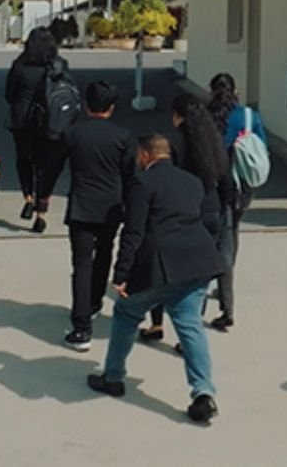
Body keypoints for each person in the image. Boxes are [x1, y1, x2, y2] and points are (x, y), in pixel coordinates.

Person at [88, 134, 224, 424]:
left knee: (126, 313)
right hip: (197, 261)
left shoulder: (142, 183)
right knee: (190, 326)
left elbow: (133, 231)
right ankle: (203, 393)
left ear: (145, 155)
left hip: (160, 265)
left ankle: (113, 377)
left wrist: (121, 273)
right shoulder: (192, 181)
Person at [140, 94, 231, 343]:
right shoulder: (214, 140)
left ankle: (156, 323)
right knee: (199, 275)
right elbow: (225, 179)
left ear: (177, 115)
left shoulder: (172, 143)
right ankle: (190, 332)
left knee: (162, 269)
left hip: (180, 211)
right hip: (210, 210)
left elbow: (165, 178)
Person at [62, 81, 134, 352]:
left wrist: (41, 196)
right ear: (112, 107)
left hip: (81, 206)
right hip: (110, 207)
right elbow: (131, 174)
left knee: (81, 264)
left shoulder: (73, 133)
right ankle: (94, 302)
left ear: (85, 104)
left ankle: (81, 327)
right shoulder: (123, 136)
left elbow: (54, 163)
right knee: (104, 254)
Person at [207, 72, 267, 331]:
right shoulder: (249, 116)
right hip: (244, 185)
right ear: (236, 92)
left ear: (211, 91)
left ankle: (226, 302)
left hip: (217, 184)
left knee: (220, 239)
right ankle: (224, 285)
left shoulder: (207, 116)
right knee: (231, 234)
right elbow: (261, 147)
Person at [4, 27, 72, 233]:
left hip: (23, 120)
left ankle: (28, 197)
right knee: (47, 166)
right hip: (50, 120)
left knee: (24, 159)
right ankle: (41, 211)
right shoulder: (58, 65)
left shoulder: (19, 65)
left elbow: (9, 94)